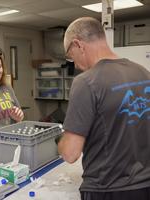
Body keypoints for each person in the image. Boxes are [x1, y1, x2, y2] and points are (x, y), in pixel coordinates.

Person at [58, 17, 150, 200]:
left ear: (78, 44)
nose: (74, 64)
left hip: (107, 188)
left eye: (70, 56)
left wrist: (60, 140)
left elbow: (70, 153)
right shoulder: (143, 72)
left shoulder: (86, 82)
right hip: (145, 185)